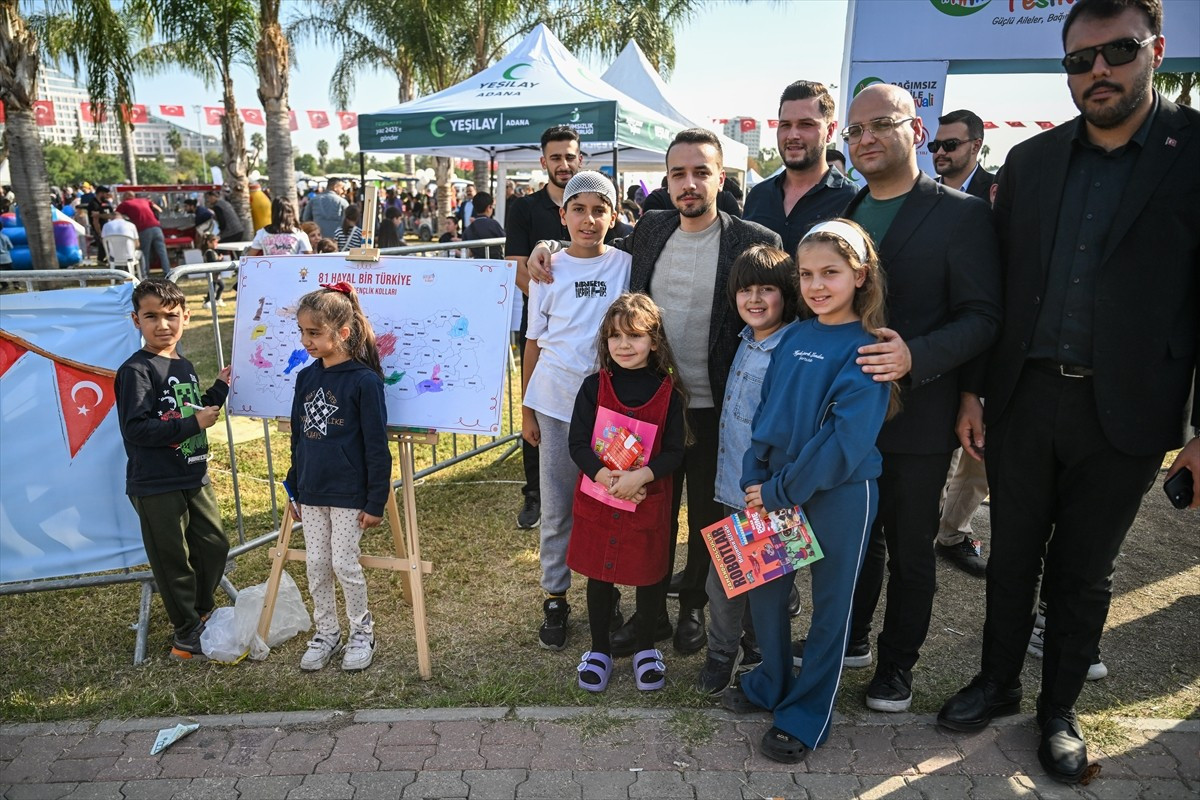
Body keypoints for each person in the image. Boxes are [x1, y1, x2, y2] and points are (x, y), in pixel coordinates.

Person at [937, 0, 1199, 784]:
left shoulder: (1195, 154)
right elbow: (1001, 292)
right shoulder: (1033, 164)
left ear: (1155, 48)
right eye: (1079, 60)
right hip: (1023, 399)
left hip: (1129, 412)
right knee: (1013, 554)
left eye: (1116, 52)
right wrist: (975, 393)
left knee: (1084, 571)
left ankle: (1058, 710)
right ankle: (996, 683)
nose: (1098, 72)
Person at [527, 129, 782, 658]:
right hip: (647, 406)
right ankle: (652, 616)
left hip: (720, 409)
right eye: (678, 174)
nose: (689, 184)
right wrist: (546, 247)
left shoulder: (755, 239)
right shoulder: (651, 229)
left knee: (711, 516)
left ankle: (693, 607)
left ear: (721, 178)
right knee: (650, 514)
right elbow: (588, 251)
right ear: (667, 180)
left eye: (701, 172)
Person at [839, 83, 1002, 714]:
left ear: (918, 131)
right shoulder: (848, 211)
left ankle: (896, 666)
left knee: (911, 547)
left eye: (881, 123)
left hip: (919, 414)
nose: (866, 138)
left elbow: (984, 316)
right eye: (854, 131)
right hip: (848, 418)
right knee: (855, 537)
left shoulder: (962, 214)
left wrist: (924, 361)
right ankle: (850, 640)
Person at [722, 219, 894, 763]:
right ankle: (771, 682)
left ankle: (806, 713)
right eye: (807, 274)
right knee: (766, 593)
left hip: (838, 496)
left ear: (860, 276)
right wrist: (754, 474)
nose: (817, 285)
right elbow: (766, 415)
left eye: (831, 273)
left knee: (829, 610)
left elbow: (844, 441)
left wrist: (778, 490)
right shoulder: (793, 335)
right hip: (770, 489)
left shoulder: (867, 347)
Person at [521, 172, 633, 651]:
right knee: (558, 504)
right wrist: (527, 410)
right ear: (563, 214)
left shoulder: (627, 264)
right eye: (579, 209)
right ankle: (555, 595)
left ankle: (604, 593)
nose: (589, 220)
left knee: (609, 504)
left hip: (611, 408)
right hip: (555, 402)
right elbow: (532, 343)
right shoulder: (547, 270)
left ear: (614, 215)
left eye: (599, 209)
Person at [566, 292, 687, 692]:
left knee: (649, 574)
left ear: (654, 341)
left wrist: (642, 477)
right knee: (601, 574)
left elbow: (674, 450)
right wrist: (604, 476)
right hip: (599, 498)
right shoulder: (592, 388)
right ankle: (599, 649)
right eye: (615, 336)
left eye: (634, 336)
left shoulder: (669, 392)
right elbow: (578, 443)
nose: (623, 345)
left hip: (646, 500)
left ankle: (646, 648)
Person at [695, 243, 800, 697]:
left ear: (787, 295)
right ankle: (742, 650)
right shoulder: (744, 340)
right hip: (730, 485)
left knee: (740, 583)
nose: (754, 299)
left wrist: (773, 488)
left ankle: (733, 653)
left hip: (764, 493)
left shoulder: (791, 349)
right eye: (745, 290)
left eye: (766, 290)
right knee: (733, 580)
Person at [114, 278, 232, 661]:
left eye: (171, 316)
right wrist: (193, 424)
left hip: (193, 474)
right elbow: (136, 428)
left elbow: (191, 409)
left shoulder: (184, 363)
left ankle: (199, 612)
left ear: (186, 316)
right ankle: (186, 634)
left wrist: (220, 389)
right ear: (136, 320)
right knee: (173, 559)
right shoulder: (136, 371)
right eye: (151, 317)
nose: (163, 325)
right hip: (155, 482)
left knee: (215, 544)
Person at [286, 282, 392, 673]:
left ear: (342, 333)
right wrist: (294, 485)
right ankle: (326, 632)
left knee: (345, 564)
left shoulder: (365, 382)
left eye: (314, 332)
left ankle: (361, 632)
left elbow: (377, 447)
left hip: (349, 494)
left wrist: (375, 500)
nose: (306, 340)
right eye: (302, 332)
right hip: (312, 491)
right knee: (316, 563)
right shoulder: (306, 378)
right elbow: (299, 437)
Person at [506, 126, 591, 531]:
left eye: (569, 156)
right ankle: (535, 493)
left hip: (583, 330)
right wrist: (554, 299)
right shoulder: (523, 207)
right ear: (544, 162)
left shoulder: (595, 204)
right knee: (536, 408)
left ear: (581, 159)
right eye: (555, 157)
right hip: (541, 323)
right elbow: (517, 265)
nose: (563, 164)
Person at [744, 81, 858, 256]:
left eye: (806, 124)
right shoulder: (758, 196)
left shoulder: (851, 200)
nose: (792, 135)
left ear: (830, 130)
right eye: (785, 125)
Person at [930, 109, 997, 201]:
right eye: (936, 145)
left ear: (975, 146)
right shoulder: (922, 193)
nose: (940, 152)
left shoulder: (997, 191)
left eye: (950, 144)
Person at [115, 192, 171, 275]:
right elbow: (159, 209)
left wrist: (99, 215)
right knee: (162, 252)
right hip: (157, 227)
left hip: (144, 229)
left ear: (126, 196)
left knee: (145, 253)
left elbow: (115, 215)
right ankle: (168, 273)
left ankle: (145, 274)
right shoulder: (144, 200)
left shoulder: (125, 204)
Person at [247, 197, 313, 257]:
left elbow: (250, 257)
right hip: (293, 269)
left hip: (269, 269)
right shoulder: (299, 234)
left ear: (273, 213)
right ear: (291, 213)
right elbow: (310, 257)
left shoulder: (262, 233)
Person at [462, 192, 505, 259]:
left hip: (477, 264)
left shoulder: (469, 228)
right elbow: (504, 240)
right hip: (496, 263)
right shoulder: (493, 224)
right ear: (489, 207)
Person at [200, 233, 226, 309]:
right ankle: (207, 301)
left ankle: (216, 299)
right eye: (215, 242)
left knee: (219, 286)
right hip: (212, 274)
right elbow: (212, 262)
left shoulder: (213, 251)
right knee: (214, 288)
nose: (216, 244)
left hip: (216, 274)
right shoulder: (209, 252)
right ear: (209, 242)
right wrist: (219, 259)